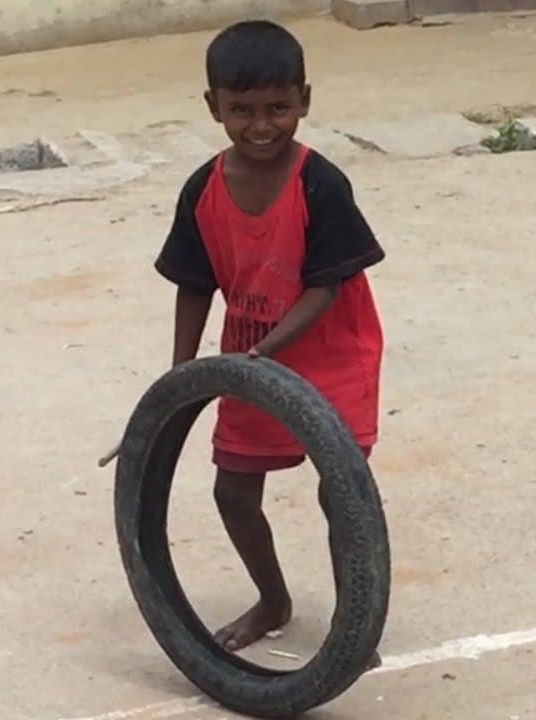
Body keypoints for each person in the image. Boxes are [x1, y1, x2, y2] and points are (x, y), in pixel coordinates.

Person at [153, 19, 386, 650]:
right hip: (251, 361)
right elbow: (193, 282)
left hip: (333, 355)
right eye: (243, 110)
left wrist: (262, 353)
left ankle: (353, 626)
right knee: (232, 490)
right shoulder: (203, 190)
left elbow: (325, 286)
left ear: (304, 101)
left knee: (341, 489)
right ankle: (272, 600)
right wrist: (181, 378)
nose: (262, 125)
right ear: (214, 108)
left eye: (279, 108)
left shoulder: (321, 184)